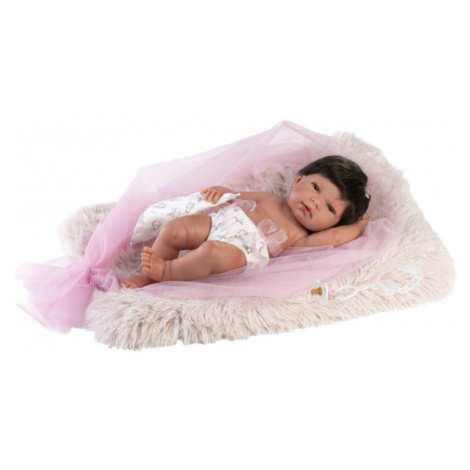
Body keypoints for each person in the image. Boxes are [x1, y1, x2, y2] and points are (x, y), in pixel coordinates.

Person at [120, 155, 371, 289]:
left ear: (333, 224)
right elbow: (235, 196)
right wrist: (223, 192)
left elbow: (336, 238)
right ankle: (147, 276)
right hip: (218, 223)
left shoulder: (300, 237)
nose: (315, 202)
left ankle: (166, 271)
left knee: (211, 252)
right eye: (316, 187)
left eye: (329, 208)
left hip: (239, 255)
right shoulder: (271, 198)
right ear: (298, 180)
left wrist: (357, 227)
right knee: (176, 228)